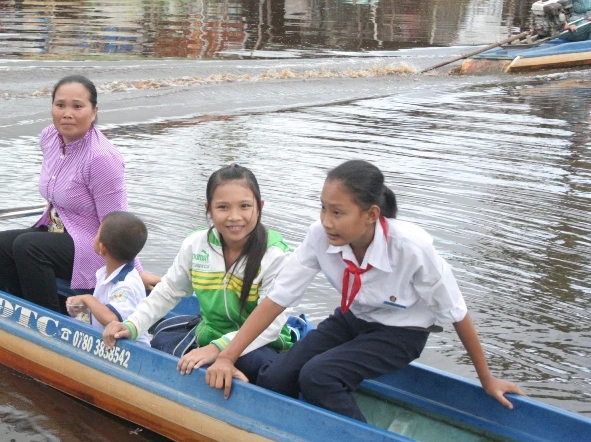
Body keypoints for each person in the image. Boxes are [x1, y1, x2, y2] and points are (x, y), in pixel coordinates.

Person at [205, 160, 524, 422]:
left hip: (402, 333)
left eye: (338, 212)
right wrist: (227, 357)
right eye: (323, 209)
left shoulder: (411, 247)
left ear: (371, 214)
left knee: (319, 377)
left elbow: (457, 312)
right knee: (275, 379)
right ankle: (295, 428)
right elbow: (279, 298)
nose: (327, 222)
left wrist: (487, 379)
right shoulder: (320, 236)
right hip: (351, 318)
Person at [0, 75, 160, 314]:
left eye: (77, 106)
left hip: (92, 244)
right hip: (57, 230)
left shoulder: (102, 158)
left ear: (94, 111)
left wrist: (135, 272)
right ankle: (23, 305)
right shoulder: (49, 137)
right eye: (60, 105)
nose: (67, 113)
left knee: (29, 247)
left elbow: (117, 221)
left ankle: (49, 316)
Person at [102, 164, 294, 383]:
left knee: (259, 369)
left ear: (259, 207)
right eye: (223, 207)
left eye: (244, 206)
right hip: (209, 333)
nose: (234, 217)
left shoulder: (275, 254)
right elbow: (168, 291)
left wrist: (217, 350)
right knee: (160, 341)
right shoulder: (196, 245)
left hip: (261, 344)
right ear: (208, 209)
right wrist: (132, 325)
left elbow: (271, 325)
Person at [66, 211, 151, 348]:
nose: (95, 236)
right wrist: (84, 307)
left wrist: (88, 299)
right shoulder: (105, 273)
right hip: (109, 340)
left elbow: (111, 318)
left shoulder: (126, 284)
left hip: (133, 349)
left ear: (102, 247)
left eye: (97, 233)